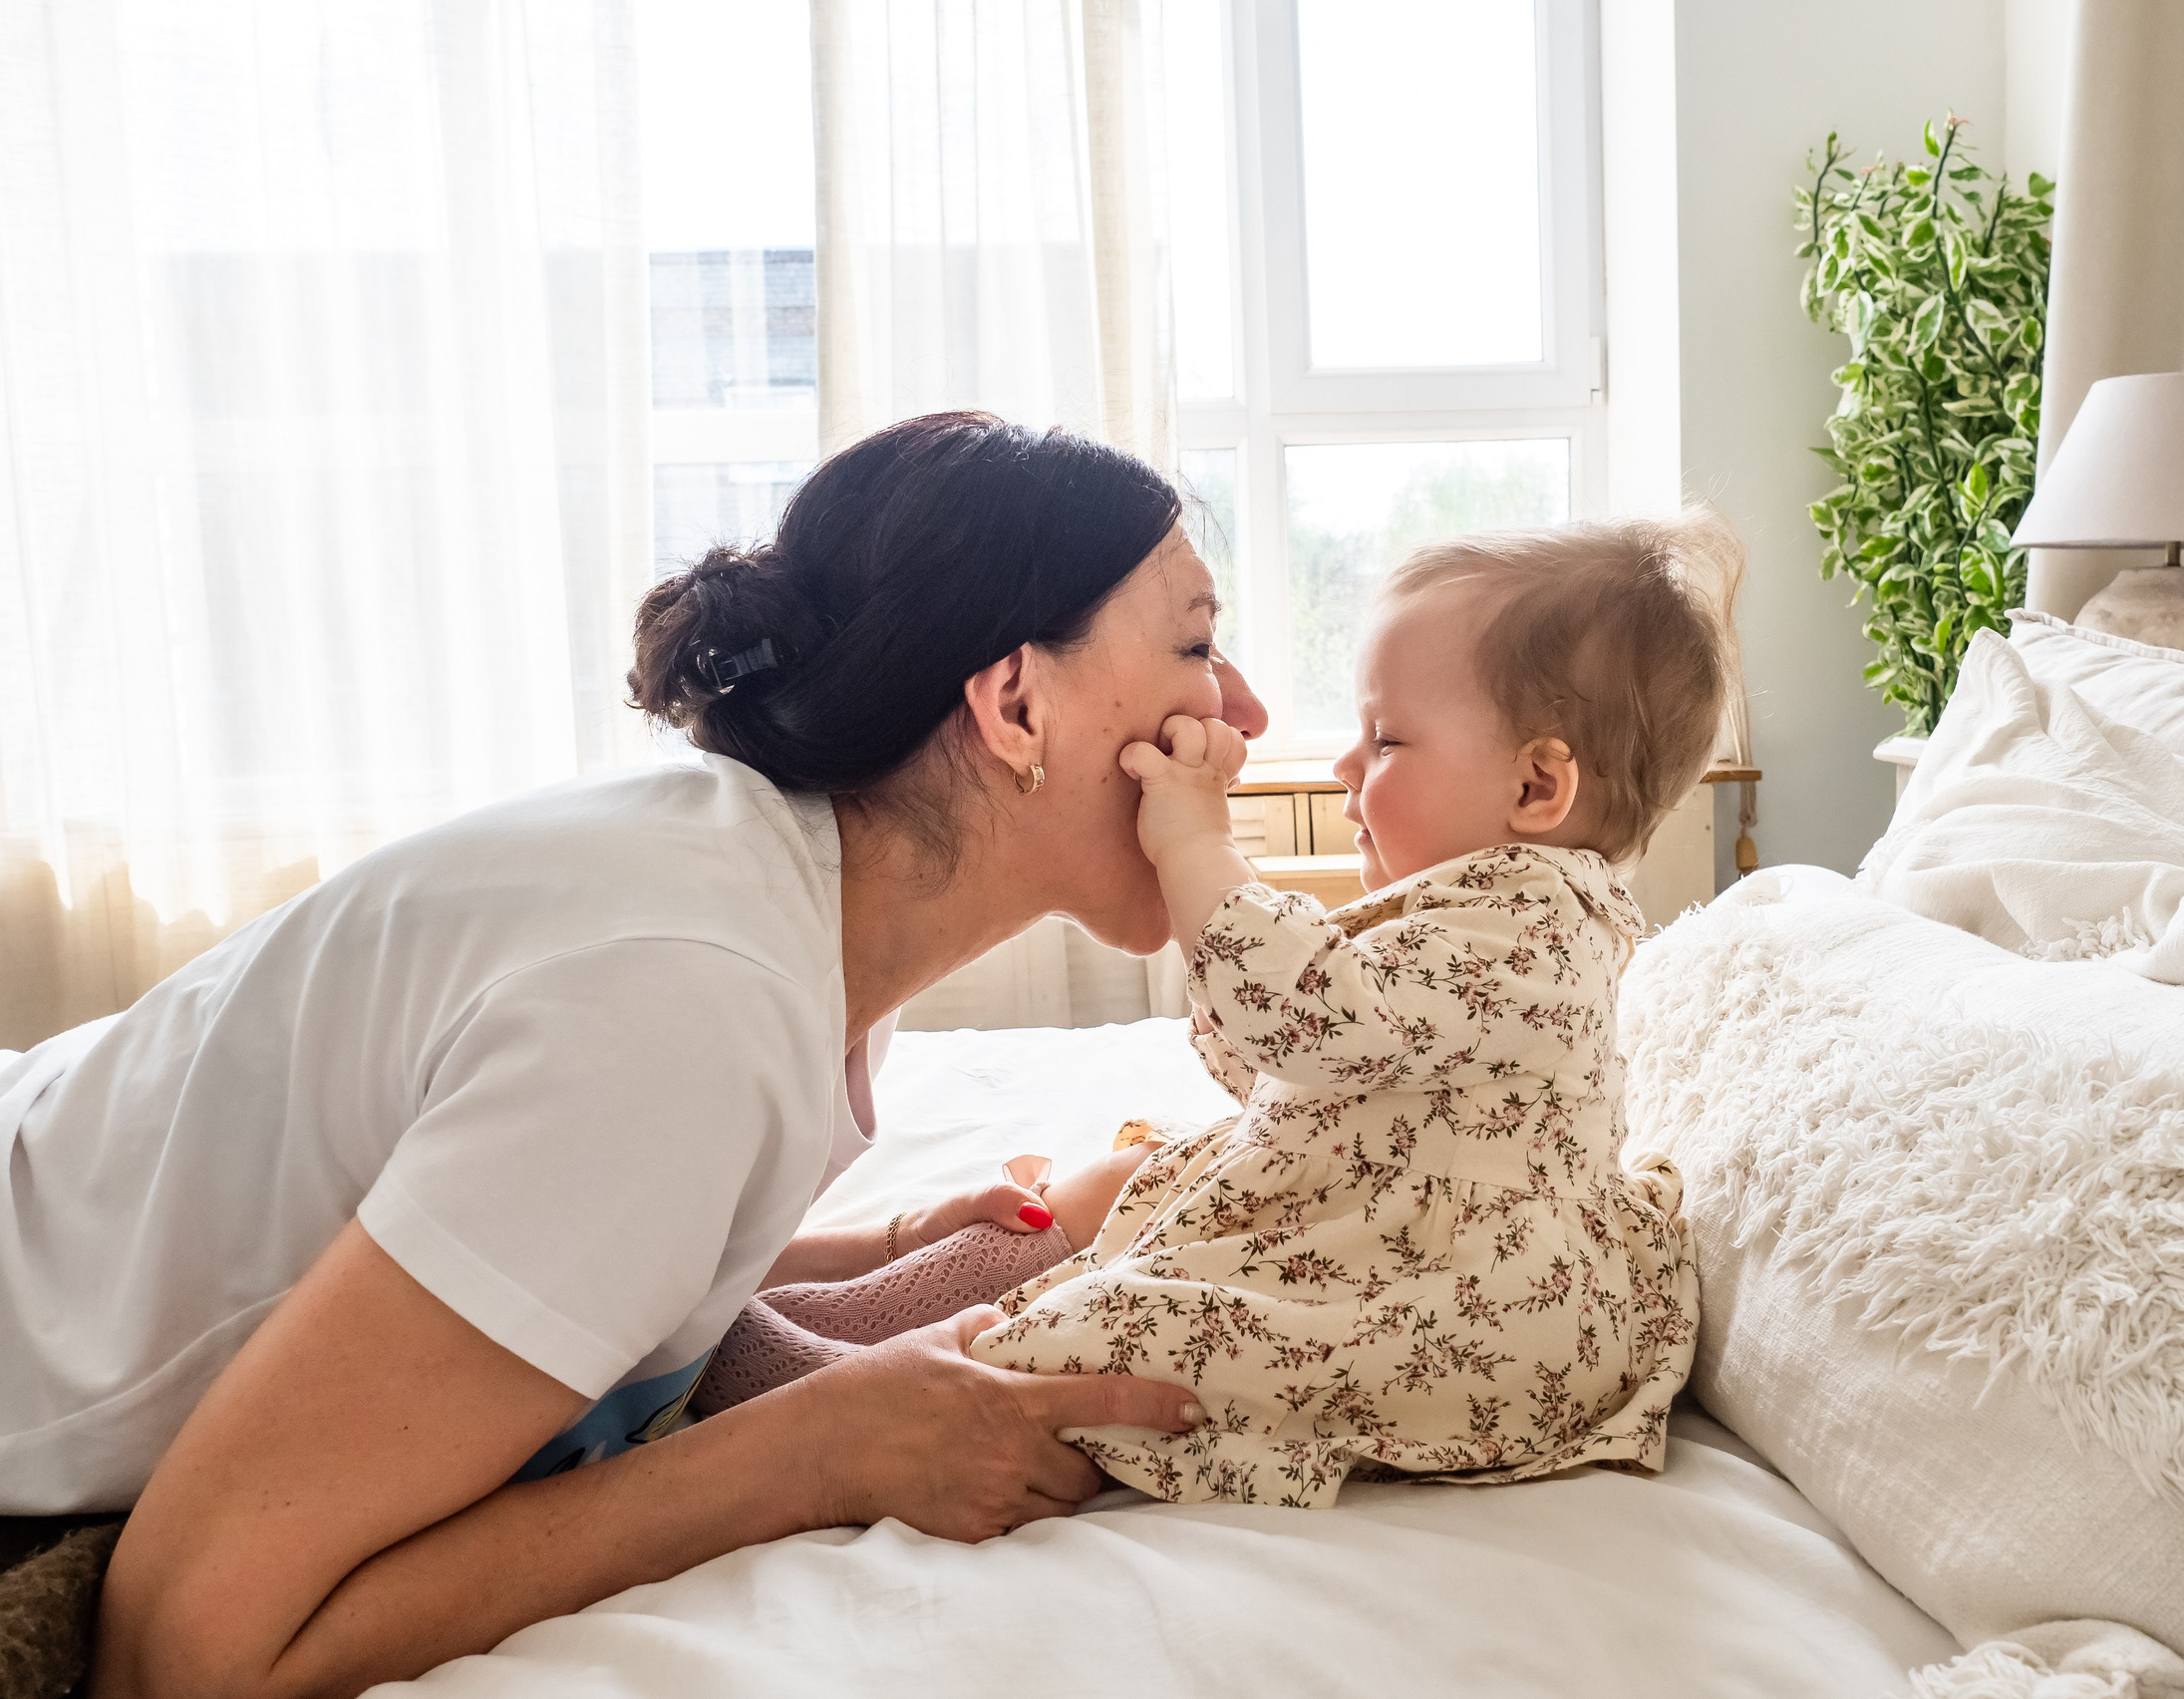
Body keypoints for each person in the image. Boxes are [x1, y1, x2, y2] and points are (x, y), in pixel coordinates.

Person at [0, 411, 1268, 1699]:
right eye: (1198, 645)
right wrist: (821, 1449)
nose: (1251, 713)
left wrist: (877, 1251)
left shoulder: (788, 903)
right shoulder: (690, 993)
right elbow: (185, 1649)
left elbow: (533, 1244)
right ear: (1016, 704)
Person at [691, 510, 1744, 1511]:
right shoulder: (1478, 914)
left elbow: (1306, 1023)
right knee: (1142, 1194)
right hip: (1392, 1229)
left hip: (1470, 1309)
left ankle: (834, 1386)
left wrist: (1199, 845)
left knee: (1146, 1317)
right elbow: (1300, 1067)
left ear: (1537, 788)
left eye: (1386, 741)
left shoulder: (1529, 932)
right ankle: (830, 1323)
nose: (1343, 764)